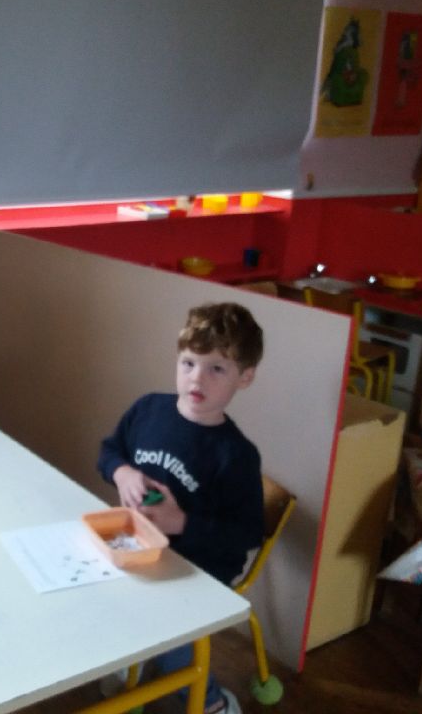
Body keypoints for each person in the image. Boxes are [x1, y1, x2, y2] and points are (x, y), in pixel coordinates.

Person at [97, 302, 265, 714]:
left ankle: (212, 702)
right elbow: (109, 451)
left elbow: (246, 533)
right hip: (139, 545)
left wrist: (182, 522)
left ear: (245, 377)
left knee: (173, 640)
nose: (197, 378)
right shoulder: (148, 410)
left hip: (200, 567)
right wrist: (122, 473)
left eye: (216, 369)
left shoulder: (236, 455)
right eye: (188, 363)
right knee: (100, 598)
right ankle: (132, 661)